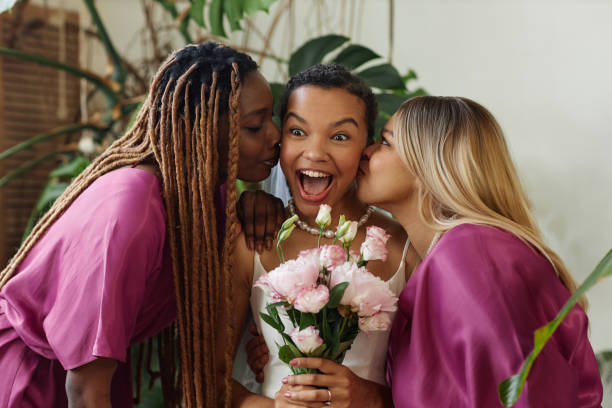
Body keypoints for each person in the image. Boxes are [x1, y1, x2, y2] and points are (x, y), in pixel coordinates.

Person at [0, 42, 283, 407]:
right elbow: (84, 389)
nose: (275, 136)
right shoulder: (130, 210)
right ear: (199, 128)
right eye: (255, 126)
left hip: (91, 377)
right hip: (31, 378)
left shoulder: (205, 191)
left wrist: (251, 206)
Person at [287, 95, 600, 407]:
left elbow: (521, 397)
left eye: (385, 142)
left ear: (427, 165)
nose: (365, 153)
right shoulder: (453, 259)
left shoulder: (471, 256)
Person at [218, 63, 420, 407]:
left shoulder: (404, 248)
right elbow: (207, 377)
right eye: (298, 132)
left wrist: (371, 397)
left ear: (365, 149)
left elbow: (440, 386)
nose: (314, 152)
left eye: (339, 137)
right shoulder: (251, 242)